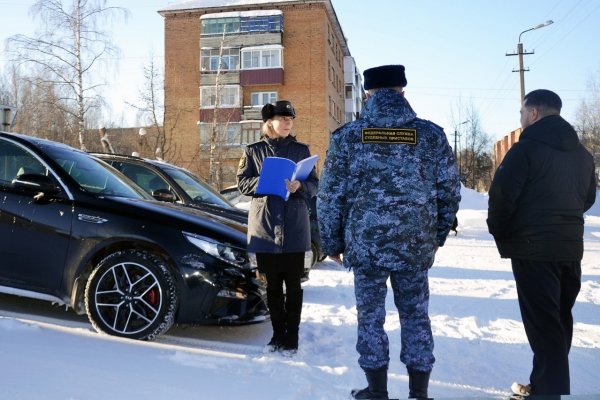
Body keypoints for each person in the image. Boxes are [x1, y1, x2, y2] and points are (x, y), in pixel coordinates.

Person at [317, 65, 461, 399]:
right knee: (415, 316)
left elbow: (329, 196)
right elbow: (449, 191)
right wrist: (435, 237)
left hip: (366, 248)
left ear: (368, 94)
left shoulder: (348, 137)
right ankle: (419, 393)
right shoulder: (431, 135)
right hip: (415, 247)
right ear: (402, 92)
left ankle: (377, 390)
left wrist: (332, 241)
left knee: (370, 317)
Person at [487, 89, 596, 396]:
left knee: (544, 324)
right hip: (570, 248)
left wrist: (501, 231)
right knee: (558, 320)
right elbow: (587, 198)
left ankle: (546, 392)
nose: (520, 120)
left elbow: (501, 198)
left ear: (533, 113)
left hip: (533, 250)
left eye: (522, 113)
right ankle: (543, 384)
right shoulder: (583, 154)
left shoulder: (525, 150)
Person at [237, 100, 318, 354]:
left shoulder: (301, 150)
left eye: (290, 120)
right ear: (269, 123)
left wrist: (301, 187)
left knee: (293, 285)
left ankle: (291, 337)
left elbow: (315, 184)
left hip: (294, 226)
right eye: (283, 119)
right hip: (265, 225)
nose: (287, 123)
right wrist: (265, 181)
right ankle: (277, 334)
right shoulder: (253, 150)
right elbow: (242, 183)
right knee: (272, 285)